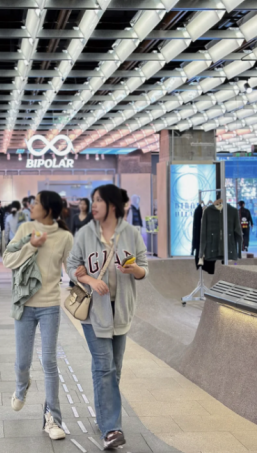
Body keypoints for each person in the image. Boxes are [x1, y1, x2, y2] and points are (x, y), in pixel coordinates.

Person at [67, 184, 148, 450]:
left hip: (121, 310)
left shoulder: (131, 233)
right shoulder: (84, 233)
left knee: (114, 367)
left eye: (99, 200)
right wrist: (91, 280)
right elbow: (71, 266)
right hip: (93, 312)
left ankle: (103, 415)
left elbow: (144, 269)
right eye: (93, 200)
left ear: (112, 205)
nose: (94, 205)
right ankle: (112, 429)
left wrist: (134, 269)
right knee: (105, 367)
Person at [3, 191, 73, 440]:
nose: (31, 206)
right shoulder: (26, 229)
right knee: (23, 362)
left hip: (50, 305)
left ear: (48, 209)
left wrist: (89, 279)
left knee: (49, 361)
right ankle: (22, 386)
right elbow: (8, 260)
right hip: (25, 303)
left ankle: (53, 419)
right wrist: (31, 246)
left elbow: (72, 268)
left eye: (36, 203)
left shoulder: (64, 236)